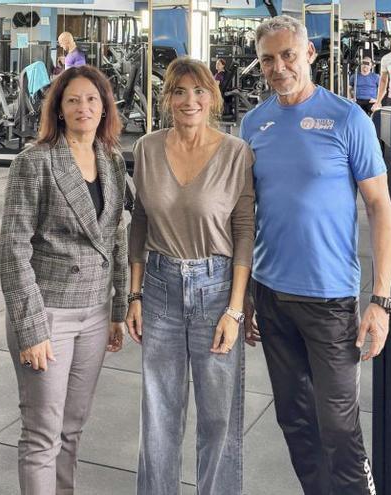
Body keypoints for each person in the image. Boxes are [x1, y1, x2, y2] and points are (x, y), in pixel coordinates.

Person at [240, 15, 391, 495]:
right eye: (268, 59)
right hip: (270, 294)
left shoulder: (349, 118)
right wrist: (242, 297)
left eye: (288, 55)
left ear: (310, 55)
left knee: (339, 426)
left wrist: (381, 298)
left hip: (329, 298)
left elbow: (380, 207)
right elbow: (245, 217)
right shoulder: (253, 123)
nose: (278, 66)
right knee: (295, 420)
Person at [126, 56, 255, 495]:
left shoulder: (236, 152)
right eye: (179, 91)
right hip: (160, 286)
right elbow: (139, 220)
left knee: (219, 415)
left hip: (216, 288)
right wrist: (134, 294)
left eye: (199, 91)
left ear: (212, 97)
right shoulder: (146, 148)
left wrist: (235, 310)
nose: (189, 100)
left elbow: (243, 233)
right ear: (167, 98)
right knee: (159, 412)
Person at [0, 65, 128, 495]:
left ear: (104, 108)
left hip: (94, 313)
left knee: (72, 429)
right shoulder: (33, 162)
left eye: (92, 100)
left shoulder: (110, 159)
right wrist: (31, 328)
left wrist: (118, 308)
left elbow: (116, 237)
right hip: (48, 314)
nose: (83, 107)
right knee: (41, 433)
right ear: (57, 108)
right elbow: (13, 250)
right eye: (73, 100)